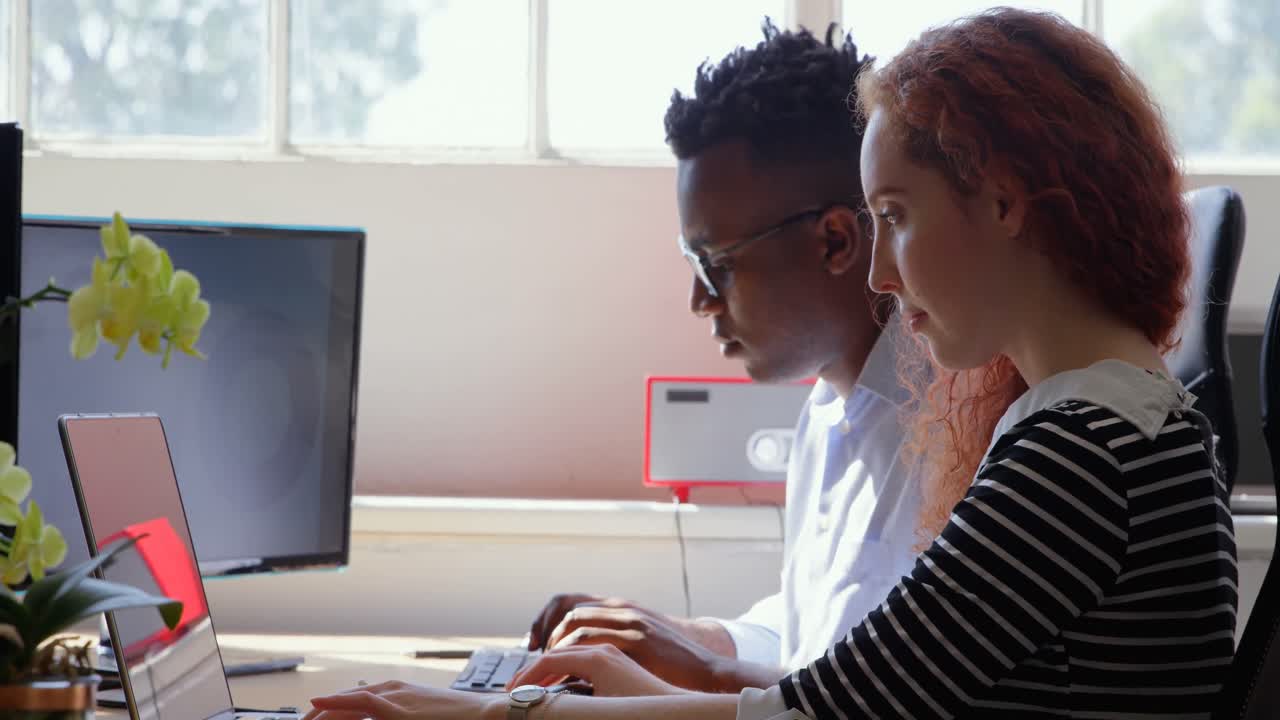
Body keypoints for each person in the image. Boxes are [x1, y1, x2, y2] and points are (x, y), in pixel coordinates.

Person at [303, 8, 1238, 719]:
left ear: (1001, 203)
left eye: (896, 218)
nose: (880, 267)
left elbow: (809, 713)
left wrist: (480, 709)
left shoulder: (1083, 453)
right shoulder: (1114, 427)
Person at [518, 19, 922, 694]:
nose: (699, 301)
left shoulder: (959, 432)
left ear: (833, 242)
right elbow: (809, 636)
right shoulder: (827, 413)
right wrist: (670, 635)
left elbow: (861, 700)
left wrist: (693, 670)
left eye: (717, 264)